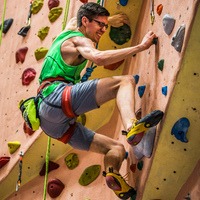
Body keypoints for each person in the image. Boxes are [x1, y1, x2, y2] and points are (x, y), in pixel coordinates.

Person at [37, 2, 163, 199]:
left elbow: (75, 19)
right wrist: (141, 47)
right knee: (125, 81)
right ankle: (131, 126)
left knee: (116, 148)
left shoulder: (69, 30)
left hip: (51, 123)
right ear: (85, 22)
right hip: (56, 97)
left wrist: (109, 20)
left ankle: (113, 174)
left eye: (106, 26)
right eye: (100, 25)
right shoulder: (79, 40)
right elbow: (98, 58)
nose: (104, 30)